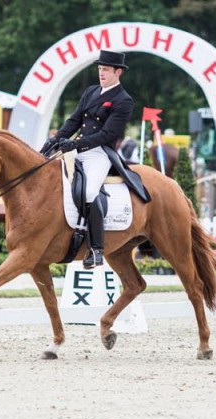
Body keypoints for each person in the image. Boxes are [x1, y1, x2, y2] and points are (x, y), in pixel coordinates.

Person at [40, 50, 134, 269]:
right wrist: (56, 139)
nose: (101, 73)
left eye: (106, 70)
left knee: (90, 192)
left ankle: (96, 249)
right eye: (100, 69)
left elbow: (108, 135)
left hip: (100, 153)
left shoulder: (123, 100)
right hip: (78, 149)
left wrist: (75, 144)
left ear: (118, 72)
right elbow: (73, 120)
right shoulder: (91, 92)